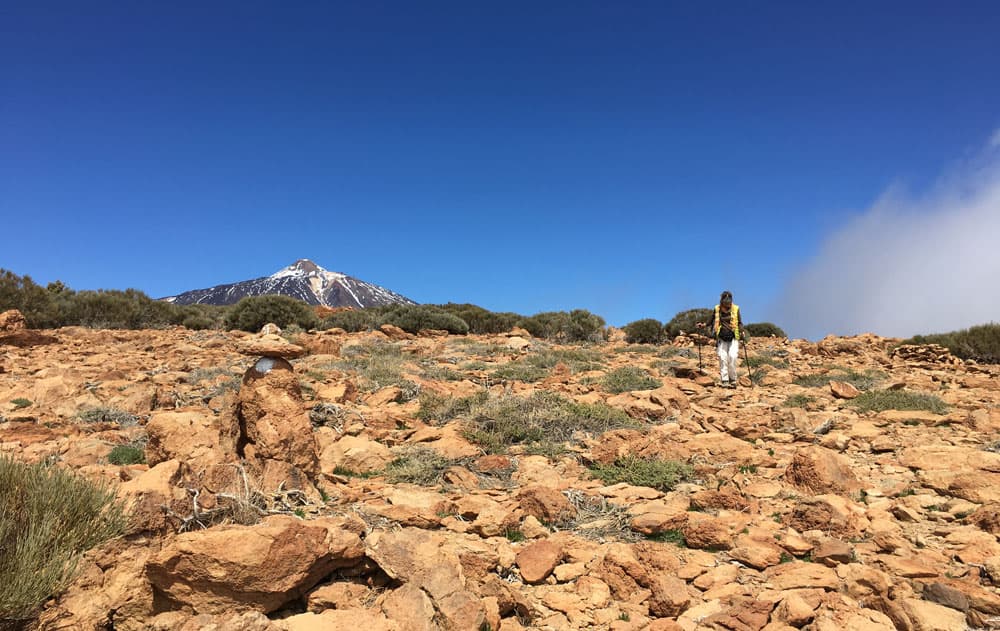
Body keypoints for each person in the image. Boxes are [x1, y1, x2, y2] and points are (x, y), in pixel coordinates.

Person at [699, 291, 747, 388]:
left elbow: (740, 322)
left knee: (732, 357)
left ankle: (733, 379)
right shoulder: (717, 309)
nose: (727, 302)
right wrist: (703, 325)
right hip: (722, 336)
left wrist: (742, 331)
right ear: (722, 300)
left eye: (729, 300)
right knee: (722, 357)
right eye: (725, 300)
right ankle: (724, 380)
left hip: (733, 336)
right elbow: (711, 320)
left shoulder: (736, 308)